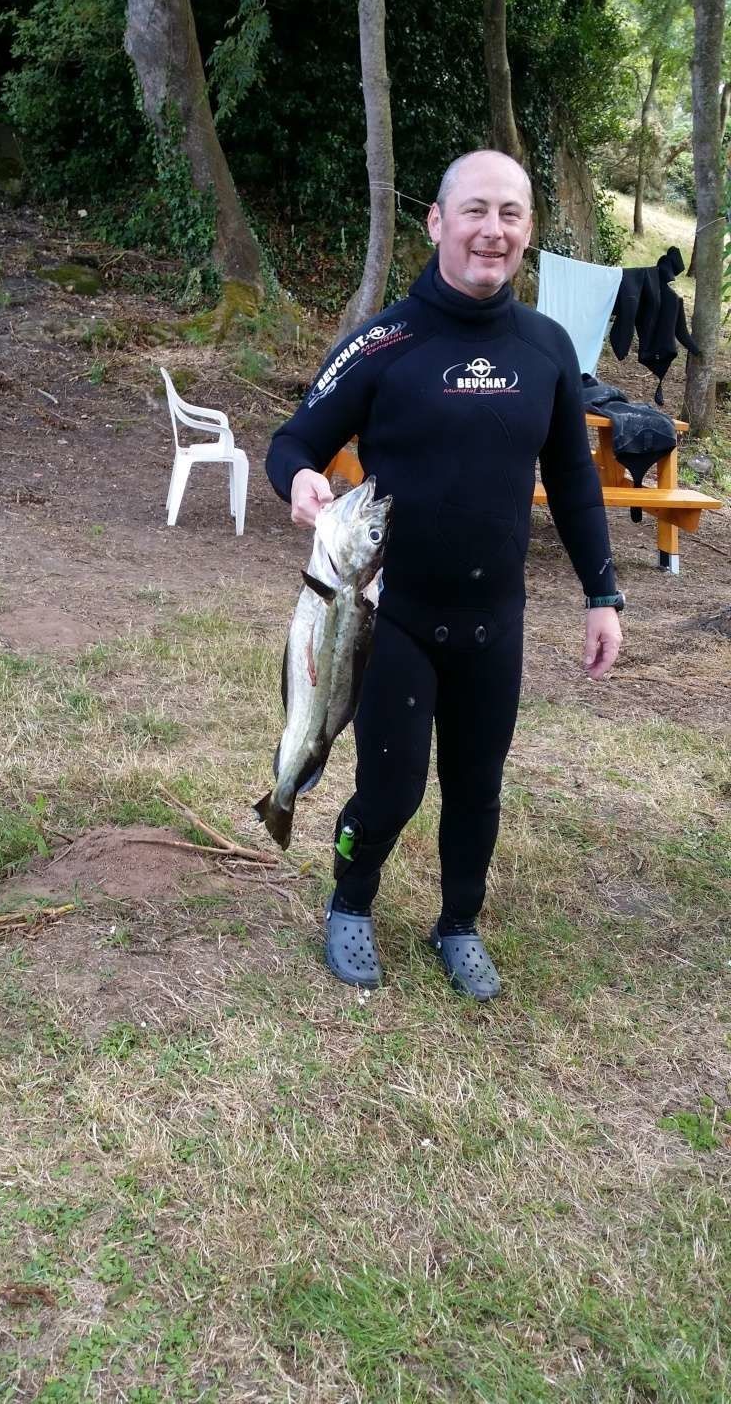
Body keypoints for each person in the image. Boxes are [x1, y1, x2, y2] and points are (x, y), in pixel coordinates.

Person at [265, 150, 623, 1000]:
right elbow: (293, 441)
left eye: (511, 213)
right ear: (436, 222)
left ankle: (458, 921)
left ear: (528, 230)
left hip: (495, 619)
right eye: (475, 211)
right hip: (393, 617)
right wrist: (302, 480)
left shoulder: (546, 348)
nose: (492, 231)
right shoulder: (384, 343)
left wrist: (602, 594)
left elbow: (574, 481)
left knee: (477, 791)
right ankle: (351, 900)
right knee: (389, 789)